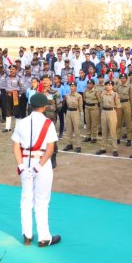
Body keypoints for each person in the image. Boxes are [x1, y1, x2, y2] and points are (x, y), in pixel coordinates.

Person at [12, 92, 61, 247]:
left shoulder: (21, 123)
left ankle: (26, 235)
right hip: (42, 164)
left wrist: (21, 166)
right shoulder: (48, 123)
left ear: (30, 106)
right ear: (44, 106)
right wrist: (38, 167)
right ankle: (44, 237)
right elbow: (50, 149)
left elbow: (15, 147)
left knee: (26, 199)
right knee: (42, 201)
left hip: (25, 162)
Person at [96, 81, 120, 157]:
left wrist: (114, 114)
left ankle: (115, 149)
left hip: (112, 112)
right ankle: (103, 148)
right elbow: (101, 103)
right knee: (104, 131)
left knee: (113, 132)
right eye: (107, 85)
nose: (108, 86)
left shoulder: (115, 95)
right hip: (104, 112)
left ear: (112, 86)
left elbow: (118, 106)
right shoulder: (103, 94)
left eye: (109, 85)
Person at [62, 81, 83, 153]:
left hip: (75, 112)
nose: (72, 87)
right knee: (69, 129)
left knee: (77, 129)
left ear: (76, 87)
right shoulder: (67, 95)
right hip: (69, 112)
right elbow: (65, 105)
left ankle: (78, 145)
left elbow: (80, 107)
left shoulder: (79, 96)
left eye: (73, 86)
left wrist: (79, 114)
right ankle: (69, 144)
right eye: (71, 86)